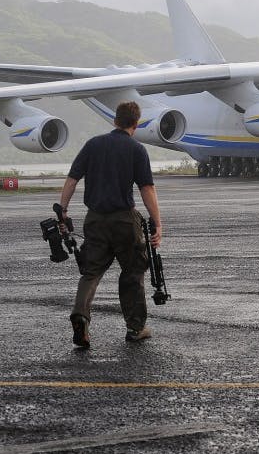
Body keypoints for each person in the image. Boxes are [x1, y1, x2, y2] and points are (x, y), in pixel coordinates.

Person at [58, 101, 162, 348]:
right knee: (133, 272)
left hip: (95, 219)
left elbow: (72, 179)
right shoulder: (136, 149)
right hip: (125, 219)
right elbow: (146, 188)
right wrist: (158, 223)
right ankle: (135, 328)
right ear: (136, 124)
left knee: (91, 272)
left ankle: (81, 316)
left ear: (115, 120)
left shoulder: (93, 144)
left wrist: (62, 210)